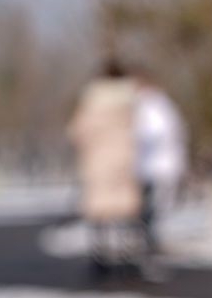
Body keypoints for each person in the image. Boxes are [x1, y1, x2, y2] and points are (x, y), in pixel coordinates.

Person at [68, 58, 141, 278]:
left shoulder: (91, 102)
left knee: (100, 212)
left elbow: (76, 132)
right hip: (124, 160)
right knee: (125, 211)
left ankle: (100, 256)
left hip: (98, 160)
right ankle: (128, 255)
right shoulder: (131, 100)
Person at [133, 71, 188, 268]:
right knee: (152, 206)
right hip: (155, 164)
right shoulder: (161, 104)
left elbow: (151, 133)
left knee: (153, 206)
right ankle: (150, 239)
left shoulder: (150, 105)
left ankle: (150, 241)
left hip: (153, 165)